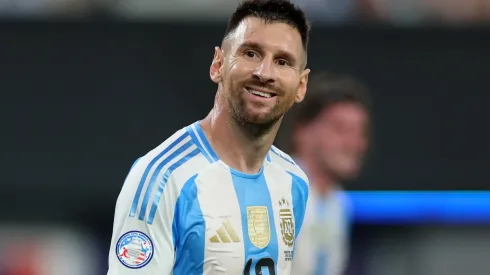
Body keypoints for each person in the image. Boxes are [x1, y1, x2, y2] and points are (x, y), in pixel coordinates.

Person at [106, 0, 312, 274]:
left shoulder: (293, 180)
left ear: (300, 86)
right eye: (250, 53)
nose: (265, 73)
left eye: (283, 61)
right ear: (218, 65)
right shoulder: (163, 179)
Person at [288, 72, 372, 275]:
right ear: (303, 132)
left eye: (361, 132)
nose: (354, 144)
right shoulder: (274, 190)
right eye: (340, 129)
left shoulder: (338, 204)